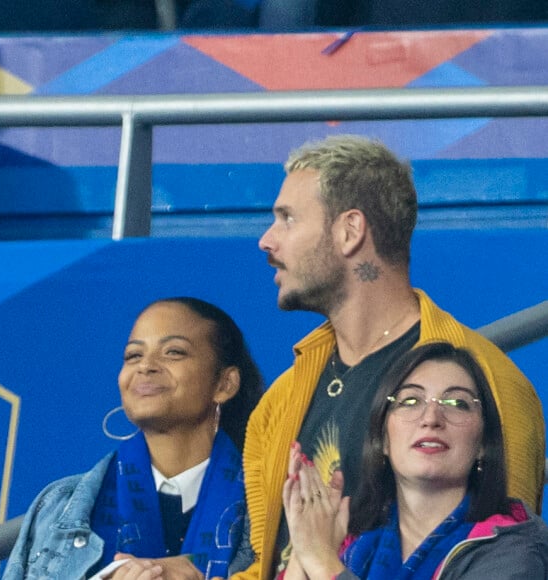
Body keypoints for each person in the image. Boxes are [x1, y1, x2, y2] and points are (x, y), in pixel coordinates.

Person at [231, 134, 545, 579]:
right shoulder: (278, 403)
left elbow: (496, 559)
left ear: (350, 231)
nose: (267, 240)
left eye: (287, 219)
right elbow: (257, 565)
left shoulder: (489, 384)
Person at [2, 297, 264, 580]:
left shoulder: (272, 504)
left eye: (173, 352)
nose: (146, 366)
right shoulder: (58, 506)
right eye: (133, 356)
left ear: (225, 384)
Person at [280, 342, 548, 579]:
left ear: (482, 445)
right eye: (410, 401)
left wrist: (321, 563)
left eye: (457, 403)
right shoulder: (348, 544)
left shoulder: (513, 550)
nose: (431, 418)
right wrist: (302, 550)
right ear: (383, 440)